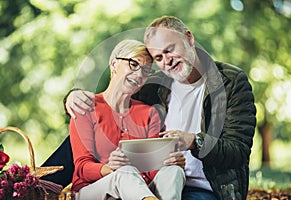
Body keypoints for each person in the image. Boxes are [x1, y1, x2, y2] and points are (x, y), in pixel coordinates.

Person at [43, 16, 256, 200]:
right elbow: (107, 103)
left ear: (189, 38)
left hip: (202, 187)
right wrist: (72, 97)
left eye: (170, 50)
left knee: (169, 174)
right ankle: (40, 184)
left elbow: (237, 151)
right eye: (159, 58)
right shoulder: (153, 85)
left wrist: (194, 141)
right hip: (144, 187)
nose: (167, 62)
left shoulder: (230, 81)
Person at [68, 39, 185, 200]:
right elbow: (82, 167)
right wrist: (109, 168)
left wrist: (169, 161)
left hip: (139, 190)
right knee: (125, 171)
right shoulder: (86, 108)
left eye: (145, 71)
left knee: (174, 172)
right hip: (93, 191)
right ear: (114, 64)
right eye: (133, 64)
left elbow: (152, 169)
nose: (139, 75)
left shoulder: (149, 114)